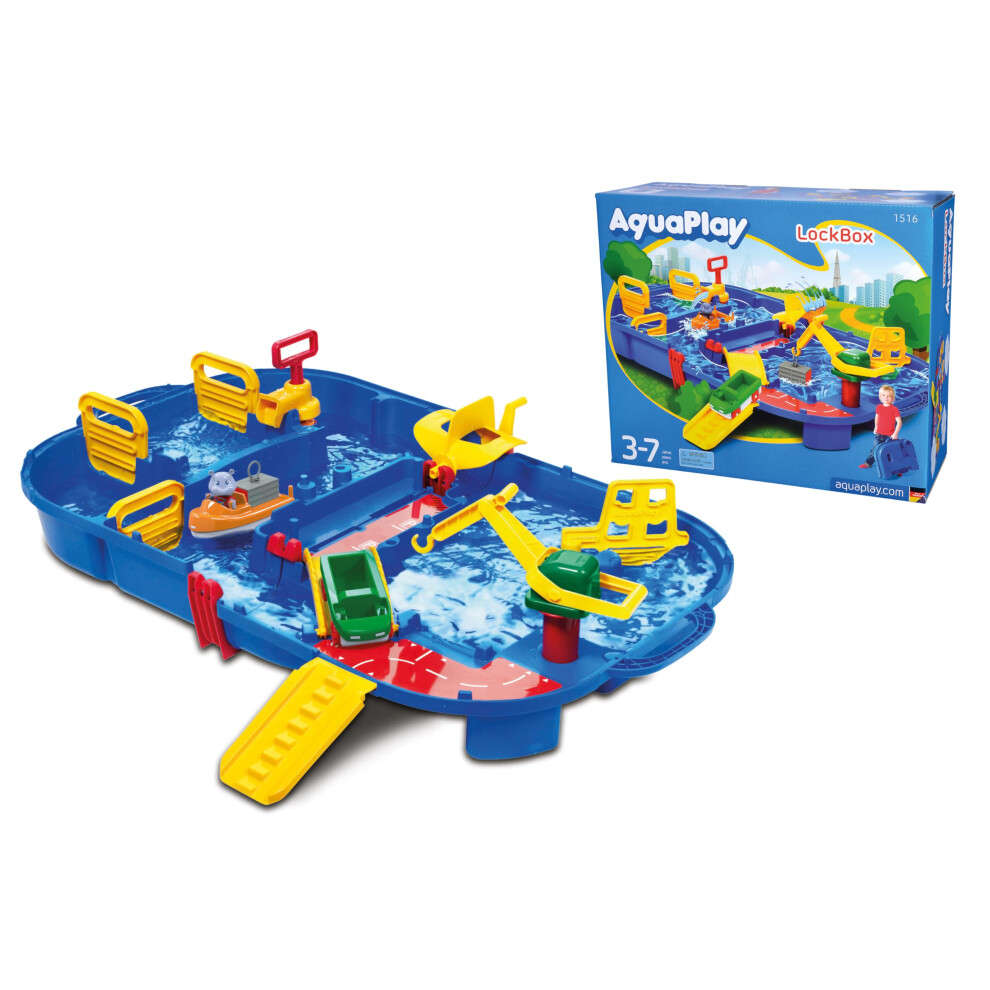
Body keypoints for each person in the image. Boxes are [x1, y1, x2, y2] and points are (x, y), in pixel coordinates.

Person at [859, 384, 901, 468]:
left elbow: (899, 422)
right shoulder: (878, 407)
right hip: (878, 434)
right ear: (880, 397)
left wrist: (895, 434)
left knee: (890, 452)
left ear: (893, 398)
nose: (886, 397)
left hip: (889, 436)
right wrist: (876, 427)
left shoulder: (894, 409)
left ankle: (896, 468)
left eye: (889, 396)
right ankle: (868, 463)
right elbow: (877, 417)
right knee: (875, 450)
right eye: (884, 395)